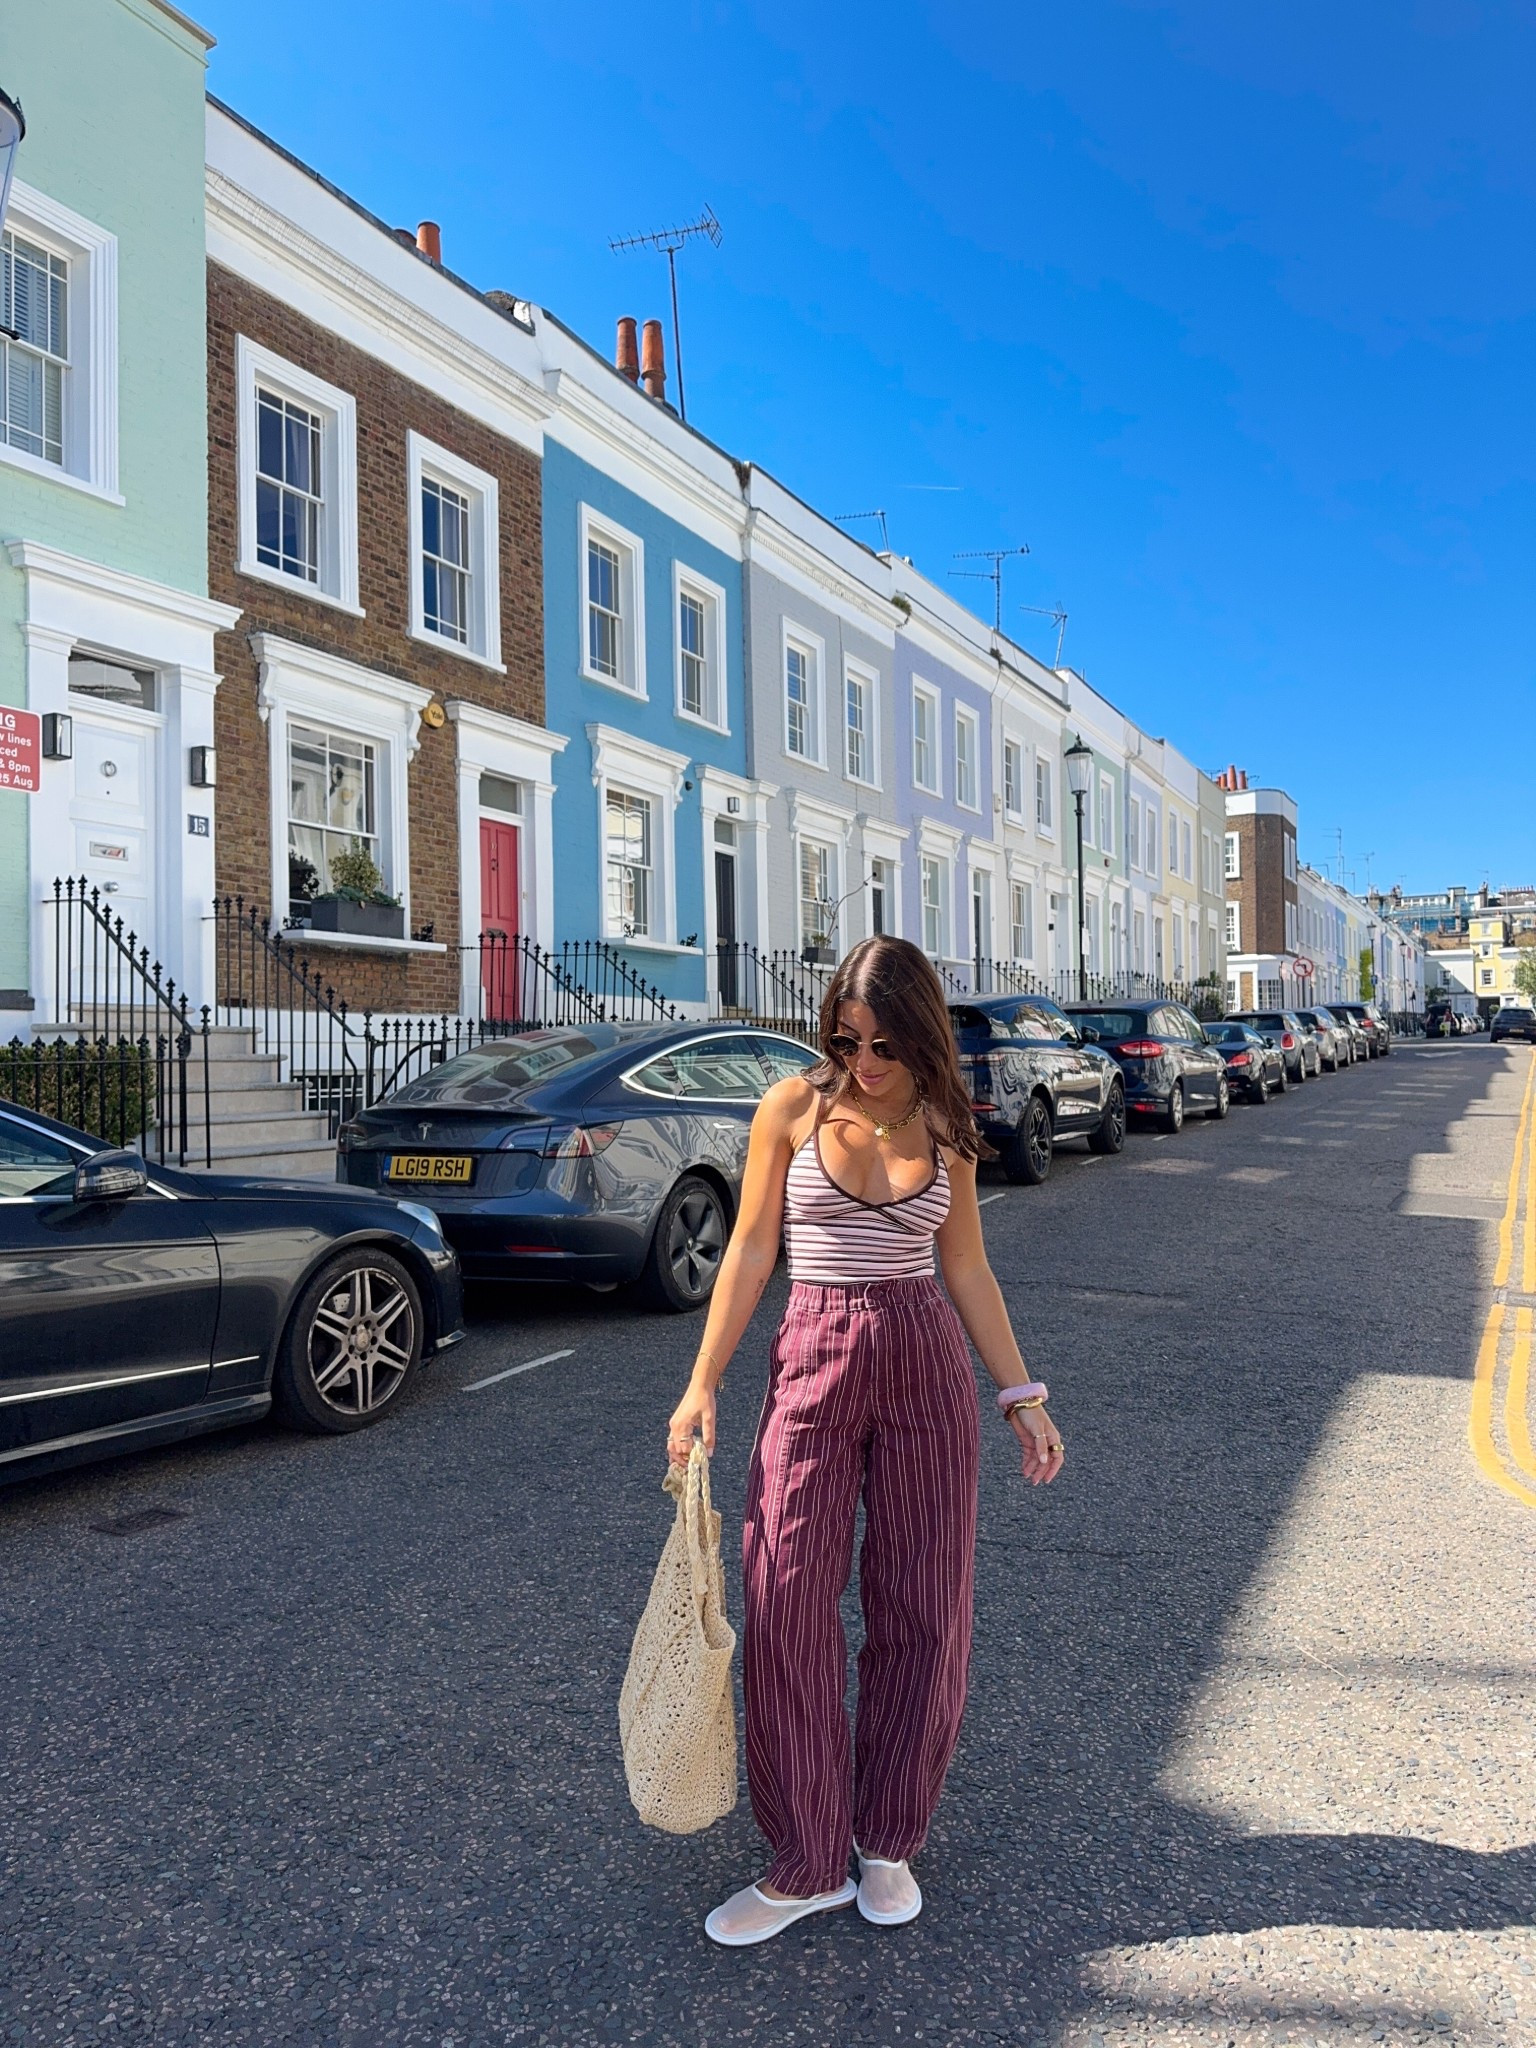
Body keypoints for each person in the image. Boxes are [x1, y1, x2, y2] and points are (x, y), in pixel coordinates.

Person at [666, 936, 1063, 1947]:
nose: (864, 1058)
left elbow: (967, 1265)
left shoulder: (946, 1119)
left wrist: (1020, 1393)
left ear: (921, 1031)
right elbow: (754, 1246)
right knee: (787, 1592)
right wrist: (701, 1383)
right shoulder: (792, 1108)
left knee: (922, 1602)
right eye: (847, 1036)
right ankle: (805, 1859)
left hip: (924, 1357)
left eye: (885, 1040)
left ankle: (887, 1836)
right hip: (815, 1351)